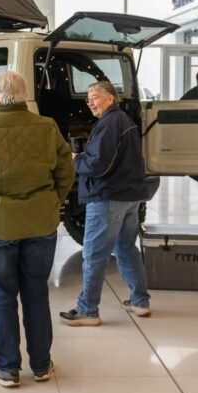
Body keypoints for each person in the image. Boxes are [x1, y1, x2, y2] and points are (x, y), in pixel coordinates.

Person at [0, 71, 75, 387]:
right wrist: (52, 202)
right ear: (25, 97)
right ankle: (41, 365)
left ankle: (7, 367)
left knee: (0, 294)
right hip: (41, 223)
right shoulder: (47, 127)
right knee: (36, 292)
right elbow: (67, 171)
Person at [60, 80, 151, 326]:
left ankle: (87, 310)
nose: (90, 103)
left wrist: (76, 159)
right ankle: (140, 301)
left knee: (94, 254)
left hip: (108, 197)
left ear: (110, 99)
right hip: (129, 196)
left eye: (95, 98)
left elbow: (98, 165)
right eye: (88, 99)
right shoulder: (123, 121)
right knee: (126, 248)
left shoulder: (110, 123)